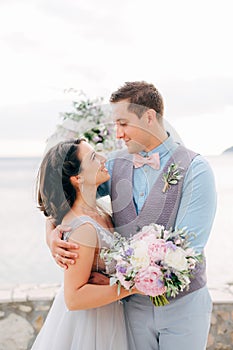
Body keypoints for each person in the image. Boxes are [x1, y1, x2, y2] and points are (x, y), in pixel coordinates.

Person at [47, 81, 217, 350]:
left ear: (149, 117)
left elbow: (189, 249)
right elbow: (70, 196)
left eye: (123, 123)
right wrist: (53, 233)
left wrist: (120, 276)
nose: (118, 134)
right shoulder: (113, 164)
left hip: (183, 307)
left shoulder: (196, 169)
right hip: (130, 310)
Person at [32, 138, 140, 350]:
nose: (103, 159)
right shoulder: (83, 228)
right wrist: (133, 287)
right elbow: (74, 298)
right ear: (77, 178)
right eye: (93, 157)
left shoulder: (101, 212)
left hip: (108, 316)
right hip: (90, 325)